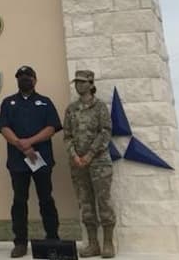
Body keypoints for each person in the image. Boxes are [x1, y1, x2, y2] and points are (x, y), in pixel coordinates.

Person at [0, 65, 63, 258]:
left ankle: (52, 238)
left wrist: (30, 142)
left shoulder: (45, 102)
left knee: (46, 199)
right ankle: (20, 242)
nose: (24, 79)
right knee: (19, 201)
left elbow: (52, 127)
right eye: (21, 76)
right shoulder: (8, 103)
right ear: (16, 80)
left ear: (35, 79)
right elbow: (4, 128)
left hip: (40, 158)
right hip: (18, 160)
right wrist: (20, 144)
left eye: (28, 76)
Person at [63, 70, 116, 258]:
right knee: (85, 204)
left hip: (99, 162)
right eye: (76, 82)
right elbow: (67, 136)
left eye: (82, 82)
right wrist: (75, 156)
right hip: (78, 164)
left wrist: (90, 154)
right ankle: (93, 244)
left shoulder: (100, 107)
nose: (78, 85)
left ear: (91, 84)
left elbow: (105, 132)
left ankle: (108, 243)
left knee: (103, 202)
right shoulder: (71, 109)